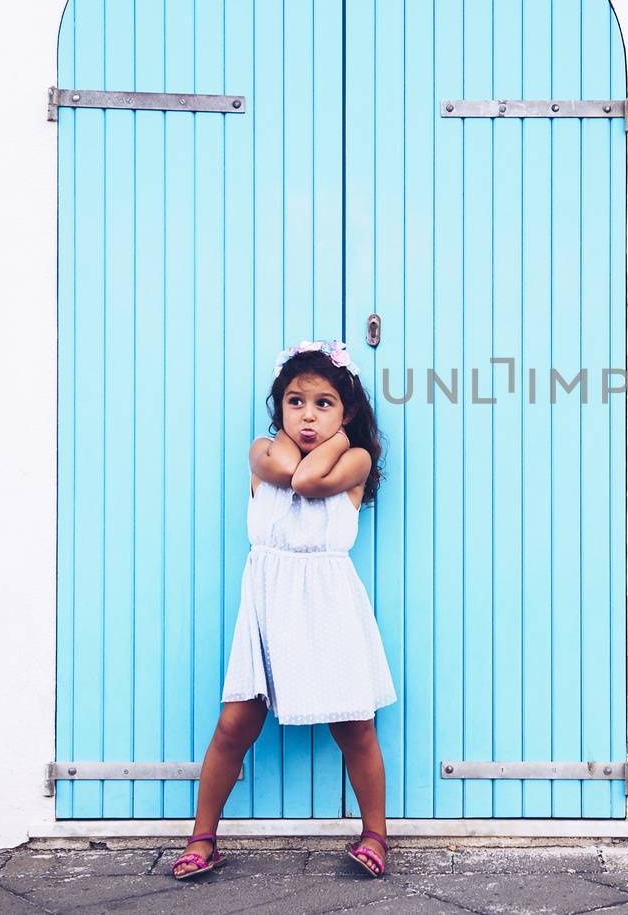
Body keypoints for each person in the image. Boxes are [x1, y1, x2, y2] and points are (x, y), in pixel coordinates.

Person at [172, 340, 397, 881]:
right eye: (295, 402)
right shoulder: (262, 452)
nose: (308, 415)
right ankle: (203, 838)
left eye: (325, 404)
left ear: (348, 413)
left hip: (328, 599)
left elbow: (308, 481)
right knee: (235, 723)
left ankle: (376, 835)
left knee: (355, 725)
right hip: (269, 601)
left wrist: (344, 437)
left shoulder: (356, 458)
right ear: (278, 409)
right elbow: (287, 470)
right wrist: (304, 434)